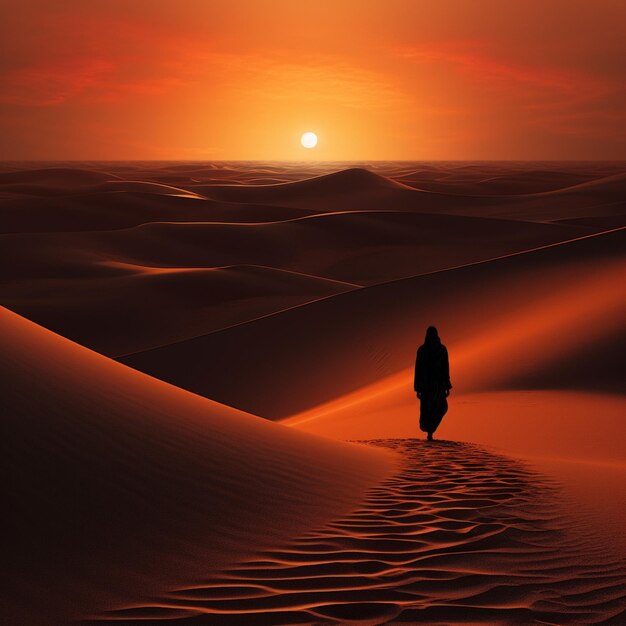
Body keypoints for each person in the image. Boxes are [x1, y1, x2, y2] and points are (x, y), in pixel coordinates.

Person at [414, 326, 452, 441]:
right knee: (431, 409)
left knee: (436, 408)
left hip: (432, 385)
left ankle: (430, 432)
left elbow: (418, 370)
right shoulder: (438, 349)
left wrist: (418, 388)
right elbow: (419, 369)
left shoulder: (426, 350)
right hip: (432, 386)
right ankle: (430, 433)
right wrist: (447, 385)